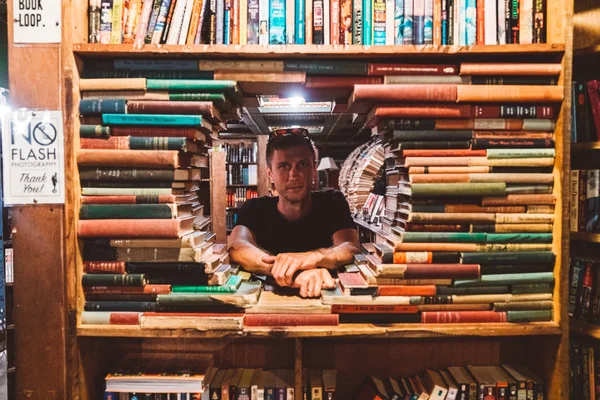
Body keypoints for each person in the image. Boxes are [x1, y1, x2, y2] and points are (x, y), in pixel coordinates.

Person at [228, 128, 361, 298]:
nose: (294, 175)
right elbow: (236, 248)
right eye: (284, 166)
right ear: (270, 174)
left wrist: (313, 257)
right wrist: (292, 274)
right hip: (268, 303)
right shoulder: (255, 208)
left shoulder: (332, 202)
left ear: (314, 169)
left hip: (328, 296)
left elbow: (350, 247)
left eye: (303, 165)